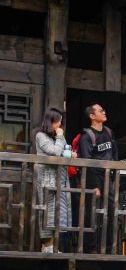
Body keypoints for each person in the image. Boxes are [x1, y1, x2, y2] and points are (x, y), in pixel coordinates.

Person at [77, 103, 118, 253]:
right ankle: (90, 248)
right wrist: (94, 185)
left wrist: (113, 173)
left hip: (107, 176)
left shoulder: (109, 132)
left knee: (112, 211)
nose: (104, 112)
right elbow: (86, 161)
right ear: (92, 116)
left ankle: (109, 248)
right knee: (91, 212)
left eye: (103, 110)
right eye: (101, 111)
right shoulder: (86, 136)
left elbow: (114, 153)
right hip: (92, 176)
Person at [34, 107, 72, 252]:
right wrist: (60, 137)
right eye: (58, 122)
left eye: (61, 122)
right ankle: (47, 246)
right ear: (50, 121)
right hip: (47, 180)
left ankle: (53, 247)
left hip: (60, 180)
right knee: (48, 212)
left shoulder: (56, 137)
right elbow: (54, 152)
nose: (60, 125)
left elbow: (63, 152)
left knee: (59, 213)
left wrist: (70, 154)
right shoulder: (40, 136)